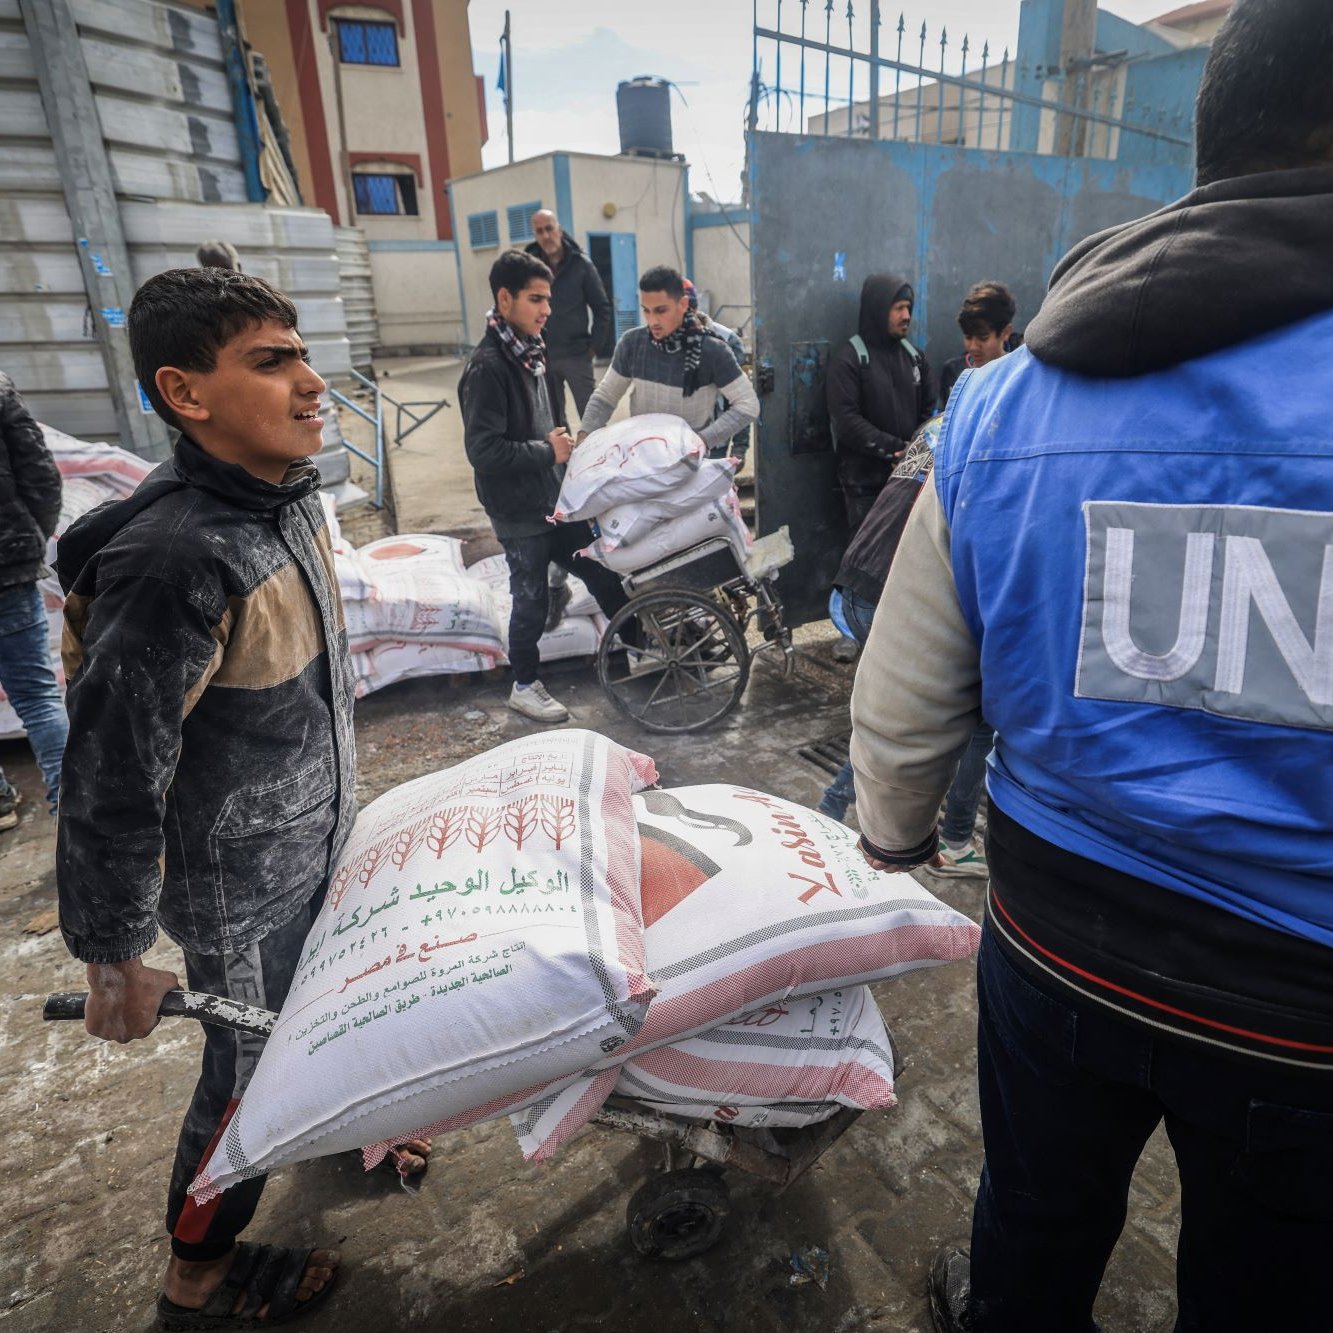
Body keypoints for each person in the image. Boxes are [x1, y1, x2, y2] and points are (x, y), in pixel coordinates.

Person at [847, 2, 1333, 1328]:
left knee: (1035, 1220)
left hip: (1057, 939)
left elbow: (901, 697)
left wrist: (891, 840)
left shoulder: (1003, 405)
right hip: (1299, 1010)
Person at [55, 267, 426, 1327]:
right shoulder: (176, 560)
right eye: (272, 361)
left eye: (302, 351)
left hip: (316, 839)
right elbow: (111, 780)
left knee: (332, 1016)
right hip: (239, 891)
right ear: (186, 393)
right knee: (248, 1077)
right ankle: (195, 1284)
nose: (312, 380)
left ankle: (348, 1120)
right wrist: (114, 952)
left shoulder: (289, 505)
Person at [459, 249, 634, 725]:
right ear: (504, 298)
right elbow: (484, 451)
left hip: (553, 499)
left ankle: (642, 649)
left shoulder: (533, 353)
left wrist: (566, 452)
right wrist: (547, 451)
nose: (547, 310)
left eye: (549, 299)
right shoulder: (489, 367)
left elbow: (551, 422)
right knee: (530, 597)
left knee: (601, 570)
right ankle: (524, 685)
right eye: (536, 299)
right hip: (518, 510)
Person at [816, 431, 990, 878]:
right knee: (972, 720)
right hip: (893, 586)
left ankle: (832, 811)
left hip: (857, 578)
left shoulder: (946, 421)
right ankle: (954, 842)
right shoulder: (1004, 423)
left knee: (894, 711)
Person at [578, 265, 760, 458]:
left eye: (661, 310)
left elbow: (748, 404)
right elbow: (605, 397)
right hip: (642, 458)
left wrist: (703, 441)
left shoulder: (713, 351)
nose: (652, 320)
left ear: (683, 304)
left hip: (689, 463)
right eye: (646, 311)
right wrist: (585, 435)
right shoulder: (632, 344)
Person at [0, 371, 67, 831]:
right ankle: (74, 812)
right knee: (39, 696)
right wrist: (29, 538)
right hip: (7, 563)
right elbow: (40, 470)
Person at [826, 273, 935, 533]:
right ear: (878, 310)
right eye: (898, 308)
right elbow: (846, 421)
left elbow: (930, 412)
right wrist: (897, 449)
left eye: (908, 308)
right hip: (865, 486)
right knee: (867, 561)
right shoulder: (850, 360)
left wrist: (914, 451)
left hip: (911, 480)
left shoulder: (915, 359)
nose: (907, 316)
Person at [525, 209, 611, 420]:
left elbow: (602, 308)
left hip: (577, 355)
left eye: (549, 229)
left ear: (559, 230)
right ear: (535, 235)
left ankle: (595, 453)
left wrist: (593, 348)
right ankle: (563, 455)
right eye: (539, 231)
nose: (546, 236)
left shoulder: (581, 265)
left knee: (591, 417)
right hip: (543, 356)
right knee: (553, 420)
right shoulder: (528, 267)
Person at [936, 281, 1016, 410]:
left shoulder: (1018, 375)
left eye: (983, 337)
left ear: (1006, 332)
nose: (973, 347)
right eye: (968, 337)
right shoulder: (954, 372)